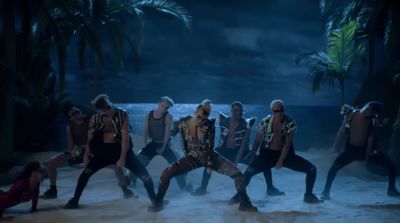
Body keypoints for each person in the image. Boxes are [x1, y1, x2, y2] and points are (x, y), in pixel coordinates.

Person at [149, 100, 258, 212]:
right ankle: (158, 202)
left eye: (206, 113)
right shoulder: (184, 121)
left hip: (209, 157)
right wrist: (168, 127)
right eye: (201, 112)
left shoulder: (209, 125)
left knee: (238, 175)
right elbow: (171, 133)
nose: (203, 115)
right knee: (166, 174)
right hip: (192, 158)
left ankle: (244, 203)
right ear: (196, 111)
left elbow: (206, 145)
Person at [64, 94, 156, 208]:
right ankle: (75, 200)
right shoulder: (96, 118)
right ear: (100, 110)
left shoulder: (122, 114)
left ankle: (155, 201)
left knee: (144, 175)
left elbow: (125, 138)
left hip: (122, 150)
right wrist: (86, 155)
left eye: (108, 107)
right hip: (104, 152)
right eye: (103, 109)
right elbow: (90, 137)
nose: (107, 110)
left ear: (110, 103)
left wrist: (122, 158)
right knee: (85, 174)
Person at [231, 100, 321, 203]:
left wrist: (280, 161)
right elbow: (256, 141)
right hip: (267, 155)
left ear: (284, 110)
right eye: (276, 111)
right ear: (272, 111)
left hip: (286, 156)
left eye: (281, 110)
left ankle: (308, 195)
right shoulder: (265, 122)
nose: (279, 113)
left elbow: (287, 145)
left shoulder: (290, 122)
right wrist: (252, 157)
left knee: (312, 169)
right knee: (248, 172)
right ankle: (238, 196)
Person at [42, 101, 133, 199]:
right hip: (79, 151)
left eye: (77, 111)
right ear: (70, 118)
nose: (78, 115)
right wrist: (77, 153)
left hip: (96, 151)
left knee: (116, 167)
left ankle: (125, 190)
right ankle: (53, 190)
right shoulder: (70, 128)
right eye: (73, 114)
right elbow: (71, 148)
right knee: (51, 163)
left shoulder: (92, 120)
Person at [191, 101, 284, 196]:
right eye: (235, 110)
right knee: (209, 163)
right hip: (224, 151)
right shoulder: (224, 121)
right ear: (231, 111)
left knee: (264, 163)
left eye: (240, 110)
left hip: (241, 152)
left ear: (242, 111)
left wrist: (236, 161)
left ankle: (270, 188)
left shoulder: (246, 124)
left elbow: (243, 145)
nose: (238, 112)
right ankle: (203, 188)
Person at [321, 101, 400, 200]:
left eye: (370, 110)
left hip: (368, 151)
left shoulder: (372, 120)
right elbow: (341, 131)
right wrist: (335, 146)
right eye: (367, 107)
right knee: (334, 167)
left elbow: (371, 140)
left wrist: (366, 160)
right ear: (365, 106)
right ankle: (325, 191)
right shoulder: (351, 115)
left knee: (391, 165)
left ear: (373, 113)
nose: (367, 110)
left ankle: (391, 189)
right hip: (352, 151)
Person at [131, 96, 191, 191]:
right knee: (138, 163)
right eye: (162, 105)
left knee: (176, 167)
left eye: (166, 107)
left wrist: (163, 148)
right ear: (159, 103)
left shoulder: (168, 116)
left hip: (165, 145)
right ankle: (132, 182)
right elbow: (146, 129)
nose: (163, 108)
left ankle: (184, 187)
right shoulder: (149, 114)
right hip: (153, 144)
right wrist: (144, 143)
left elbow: (167, 134)